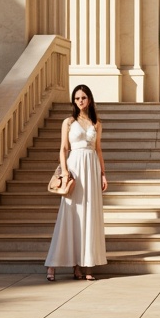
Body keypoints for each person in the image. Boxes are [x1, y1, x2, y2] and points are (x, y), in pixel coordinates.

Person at [44, 84, 107, 281]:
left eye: (84, 97)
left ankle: (83, 266)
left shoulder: (96, 123)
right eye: (77, 98)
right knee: (69, 215)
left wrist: (103, 174)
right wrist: (64, 171)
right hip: (75, 168)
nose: (80, 101)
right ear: (74, 101)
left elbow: (98, 150)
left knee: (88, 215)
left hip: (91, 169)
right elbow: (63, 148)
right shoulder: (68, 122)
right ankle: (53, 264)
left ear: (89, 99)